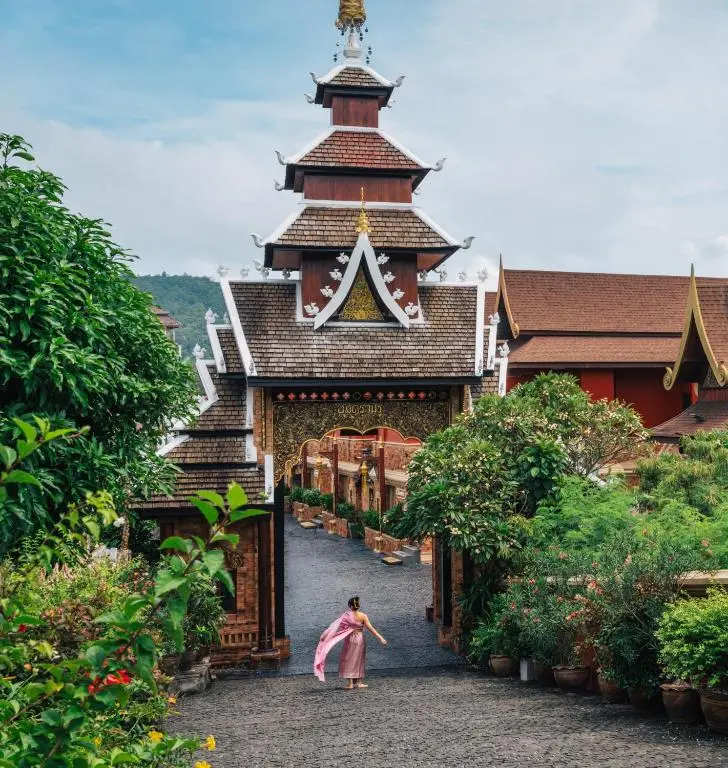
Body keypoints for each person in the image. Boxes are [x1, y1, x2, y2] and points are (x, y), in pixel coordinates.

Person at [314, 596, 387, 689]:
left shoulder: (346, 615)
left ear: (350, 606)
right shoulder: (363, 616)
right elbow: (371, 629)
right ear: (358, 606)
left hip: (350, 640)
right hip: (360, 639)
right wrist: (381, 638)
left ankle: (350, 683)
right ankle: (360, 682)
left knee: (348, 659)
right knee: (359, 659)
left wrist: (327, 637)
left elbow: (336, 626)